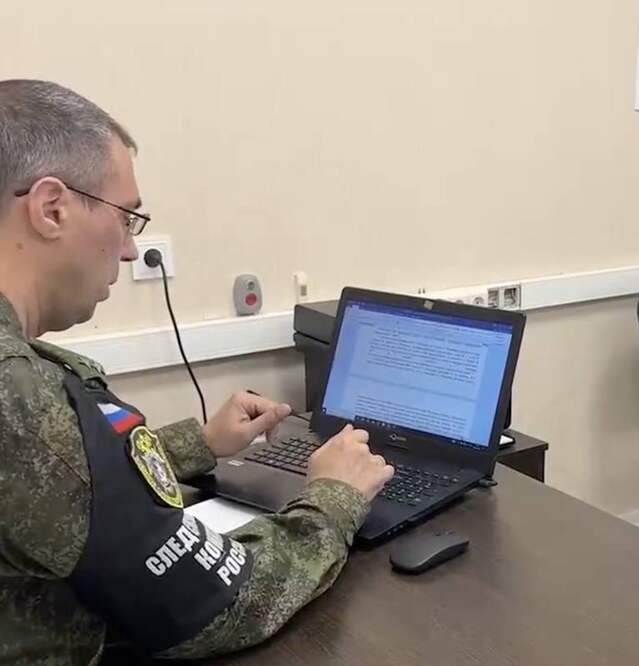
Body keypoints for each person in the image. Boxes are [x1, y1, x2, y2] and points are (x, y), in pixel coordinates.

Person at [0, 79, 395, 663]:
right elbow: (217, 604)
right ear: (51, 208)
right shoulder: (17, 395)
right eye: (126, 218)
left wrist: (201, 444)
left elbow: (52, 486)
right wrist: (333, 498)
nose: (130, 249)